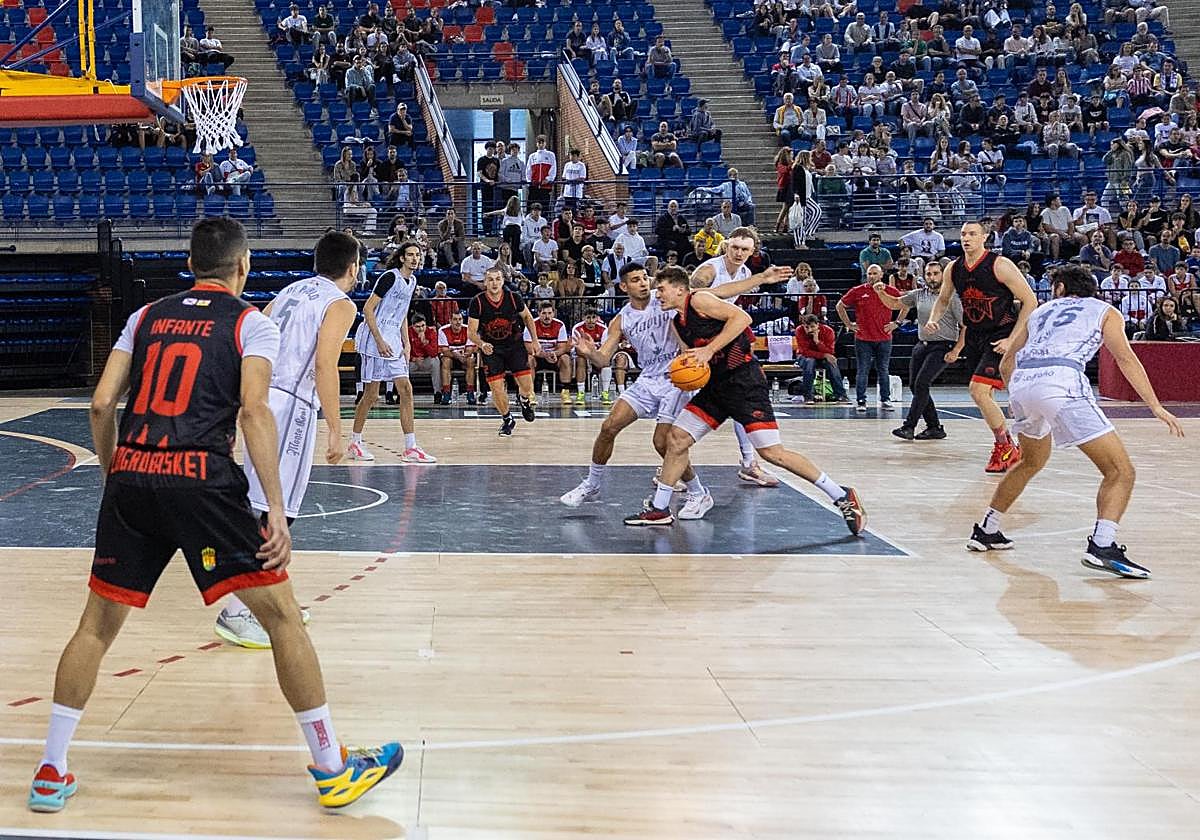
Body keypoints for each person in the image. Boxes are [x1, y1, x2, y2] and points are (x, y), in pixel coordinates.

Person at [27, 219, 402, 815]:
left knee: (95, 627)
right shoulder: (250, 322)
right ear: (243, 265)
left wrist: (113, 471)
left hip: (134, 474)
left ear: (191, 262)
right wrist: (276, 509)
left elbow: (101, 403)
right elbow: (254, 412)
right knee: (283, 619)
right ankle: (333, 769)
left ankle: (50, 769)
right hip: (202, 479)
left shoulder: (144, 317)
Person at [965, 264, 1184, 577]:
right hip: (1062, 381)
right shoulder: (1105, 311)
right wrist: (1156, 406)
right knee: (1120, 471)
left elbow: (1005, 364)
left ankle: (987, 529)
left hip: (1024, 382)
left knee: (1029, 462)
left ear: (1060, 289)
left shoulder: (1040, 311)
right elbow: (1125, 358)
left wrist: (1024, 396)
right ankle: (1102, 545)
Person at [624, 268, 866, 533]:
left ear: (680, 289)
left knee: (772, 453)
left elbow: (742, 317)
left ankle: (841, 495)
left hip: (745, 383)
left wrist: (709, 349)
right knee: (676, 439)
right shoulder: (676, 323)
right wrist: (685, 373)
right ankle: (660, 509)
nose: (657, 294)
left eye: (661, 289)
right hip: (715, 387)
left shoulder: (699, 300)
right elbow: (691, 359)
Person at [213, 232, 359, 649]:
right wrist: (335, 427)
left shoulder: (288, 290)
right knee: (275, 512)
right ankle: (238, 610)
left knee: (261, 502)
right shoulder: (339, 302)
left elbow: (251, 339)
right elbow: (325, 364)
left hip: (259, 394)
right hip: (291, 404)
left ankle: (274, 599)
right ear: (353, 267)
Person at [560, 263, 712, 516]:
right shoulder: (622, 319)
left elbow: (694, 298)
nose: (643, 283)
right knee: (609, 426)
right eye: (635, 280)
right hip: (647, 379)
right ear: (623, 286)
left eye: (644, 278)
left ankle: (698, 492)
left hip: (675, 379)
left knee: (663, 443)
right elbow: (603, 359)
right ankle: (592, 483)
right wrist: (589, 353)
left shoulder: (664, 299)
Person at [927, 221, 1039, 473]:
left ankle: (1006, 445)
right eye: (963, 234)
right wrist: (934, 319)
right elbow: (943, 299)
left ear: (984, 237)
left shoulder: (1000, 265)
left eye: (972, 234)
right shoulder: (953, 269)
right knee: (983, 395)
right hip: (975, 335)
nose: (966, 238)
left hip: (1001, 334)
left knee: (977, 390)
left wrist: (1012, 340)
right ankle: (1010, 441)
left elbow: (1030, 301)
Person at [688, 227, 794, 487]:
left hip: (719, 346)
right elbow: (691, 299)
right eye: (734, 247)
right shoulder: (708, 271)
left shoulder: (746, 272)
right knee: (681, 407)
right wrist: (758, 280)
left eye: (745, 249)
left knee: (740, 401)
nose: (738, 253)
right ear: (726, 246)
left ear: (752, 251)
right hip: (691, 344)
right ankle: (671, 466)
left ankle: (749, 463)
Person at [346, 242, 437, 463]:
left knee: (405, 389)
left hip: (394, 338)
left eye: (418, 255)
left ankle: (410, 447)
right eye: (411, 255)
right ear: (402, 258)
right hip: (374, 337)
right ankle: (355, 442)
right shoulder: (389, 277)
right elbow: (367, 308)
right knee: (371, 395)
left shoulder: (413, 281)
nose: (415, 258)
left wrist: (406, 344)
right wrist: (378, 340)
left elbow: (403, 315)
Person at [873, 261, 965, 440]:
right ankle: (934, 427)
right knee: (915, 386)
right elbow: (895, 304)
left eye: (936, 274)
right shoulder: (919, 294)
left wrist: (957, 350)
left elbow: (965, 325)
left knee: (922, 384)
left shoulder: (951, 297)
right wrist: (880, 292)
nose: (932, 278)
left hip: (943, 345)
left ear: (943, 275)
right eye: (929, 274)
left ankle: (909, 426)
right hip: (922, 344)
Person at [467, 267, 539, 436]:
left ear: (503, 281)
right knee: (497, 388)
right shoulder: (477, 302)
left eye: (497, 279)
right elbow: (471, 332)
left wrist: (535, 340)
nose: (494, 283)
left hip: (514, 345)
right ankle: (507, 419)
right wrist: (481, 343)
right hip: (491, 348)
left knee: (527, 387)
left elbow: (528, 317)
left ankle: (523, 400)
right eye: (490, 279)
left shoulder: (514, 298)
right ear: (485, 282)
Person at [837, 264, 901, 412]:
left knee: (883, 369)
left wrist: (897, 323)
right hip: (863, 338)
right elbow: (840, 305)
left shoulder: (890, 291)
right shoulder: (858, 291)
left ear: (881, 275)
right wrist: (848, 324)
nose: (871, 276)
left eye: (874, 274)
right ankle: (861, 400)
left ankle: (885, 399)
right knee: (863, 370)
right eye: (869, 274)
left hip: (884, 337)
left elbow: (905, 304)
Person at [791, 314, 850, 404]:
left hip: (821, 357)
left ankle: (841, 395)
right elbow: (805, 352)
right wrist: (824, 355)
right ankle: (808, 396)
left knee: (832, 364)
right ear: (803, 325)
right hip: (804, 357)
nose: (809, 330)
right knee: (810, 361)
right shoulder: (799, 330)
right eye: (807, 327)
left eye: (812, 327)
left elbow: (830, 351)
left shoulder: (828, 331)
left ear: (818, 325)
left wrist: (817, 342)